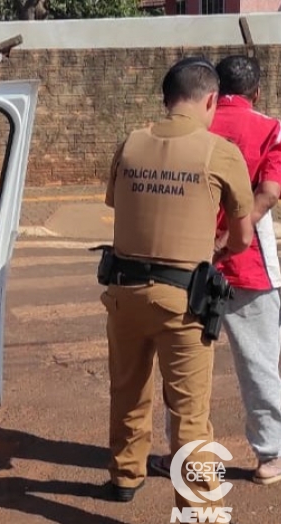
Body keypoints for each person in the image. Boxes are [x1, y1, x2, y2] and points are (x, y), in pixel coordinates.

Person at [101, 56, 254, 518]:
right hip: (184, 301)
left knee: (127, 391)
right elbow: (244, 236)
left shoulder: (130, 143)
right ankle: (198, 511)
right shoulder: (219, 150)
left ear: (166, 100)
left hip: (124, 292)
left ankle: (125, 477)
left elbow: (116, 202)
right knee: (189, 415)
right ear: (210, 100)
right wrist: (216, 249)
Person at [151, 55, 281, 486]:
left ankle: (182, 454)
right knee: (259, 364)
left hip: (186, 262)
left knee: (183, 367)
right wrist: (228, 240)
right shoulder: (269, 128)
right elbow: (269, 193)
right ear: (255, 92)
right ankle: (271, 456)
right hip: (249, 266)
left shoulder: (189, 123)